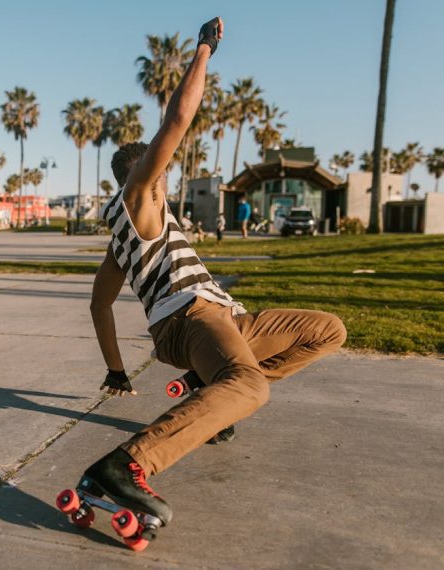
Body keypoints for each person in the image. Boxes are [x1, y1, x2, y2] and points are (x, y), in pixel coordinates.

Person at [82, 17, 346, 533]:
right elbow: (178, 120)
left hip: (221, 318)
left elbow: (99, 304)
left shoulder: (121, 239)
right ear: (144, 176)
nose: (165, 185)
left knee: (327, 330)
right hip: (190, 319)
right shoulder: (140, 197)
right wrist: (204, 49)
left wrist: (116, 370)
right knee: (249, 386)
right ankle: (126, 464)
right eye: (161, 177)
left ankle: (209, 394)